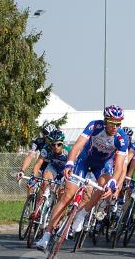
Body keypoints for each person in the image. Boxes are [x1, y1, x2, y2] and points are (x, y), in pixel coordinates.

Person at [35, 106, 129, 250]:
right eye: (112, 123)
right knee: (67, 196)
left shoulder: (122, 138)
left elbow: (119, 167)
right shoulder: (95, 126)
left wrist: (112, 182)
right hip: (84, 161)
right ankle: (46, 236)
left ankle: (82, 214)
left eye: (118, 124)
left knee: (103, 187)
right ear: (105, 121)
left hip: (103, 165)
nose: (115, 127)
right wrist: (70, 163)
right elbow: (77, 146)